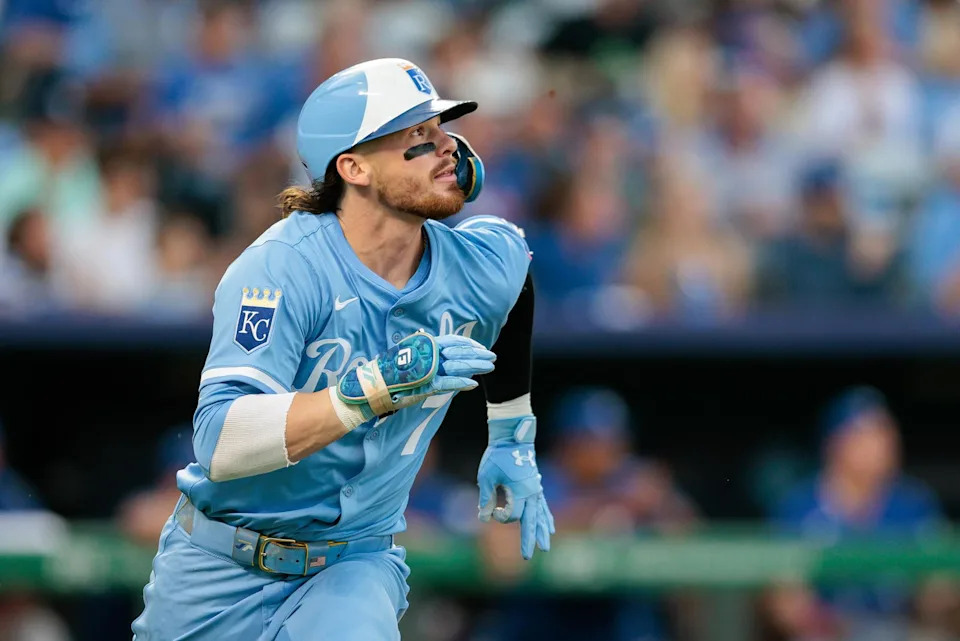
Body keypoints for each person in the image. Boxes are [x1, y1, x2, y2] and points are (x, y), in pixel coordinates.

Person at [132, 58, 554, 641]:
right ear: (353, 166)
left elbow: (516, 277)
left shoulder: (478, 263)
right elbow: (221, 441)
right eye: (417, 136)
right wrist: (369, 392)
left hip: (354, 567)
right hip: (219, 564)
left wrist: (511, 431)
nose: (448, 148)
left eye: (441, 131)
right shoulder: (283, 267)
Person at [765, 386, 944, 641]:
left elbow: (939, 590)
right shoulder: (798, 505)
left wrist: (935, 596)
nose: (881, 444)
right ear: (834, 444)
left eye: (885, 432)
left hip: (896, 627)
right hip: (823, 633)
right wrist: (820, 620)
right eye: (865, 434)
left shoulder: (913, 503)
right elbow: (783, 599)